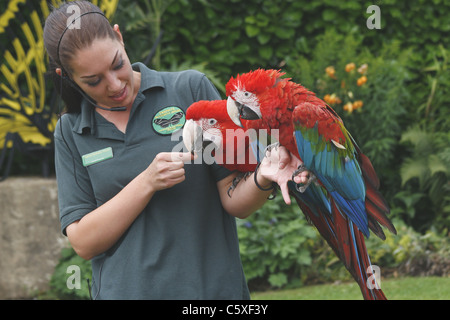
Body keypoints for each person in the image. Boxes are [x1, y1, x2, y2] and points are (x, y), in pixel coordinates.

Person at [43, 1, 308, 299]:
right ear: (65, 75)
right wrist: (146, 182)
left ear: (119, 37)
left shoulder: (189, 91)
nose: (115, 84)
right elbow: (83, 242)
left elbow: (234, 201)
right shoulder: (70, 131)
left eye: (117, 64)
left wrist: (263, 176)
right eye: (93, 81)